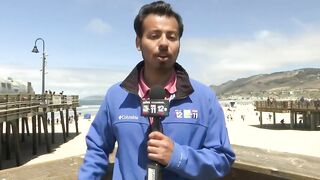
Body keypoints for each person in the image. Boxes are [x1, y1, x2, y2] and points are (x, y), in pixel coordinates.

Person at [78, 1, 235, 179]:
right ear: (138, 42)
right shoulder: (116, 96)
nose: (164, 43)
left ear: (179, 44)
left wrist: (178, 156)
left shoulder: (204, 98)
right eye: (154, 36)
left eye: (172, 37)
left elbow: (223, 159)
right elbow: (97, 149)